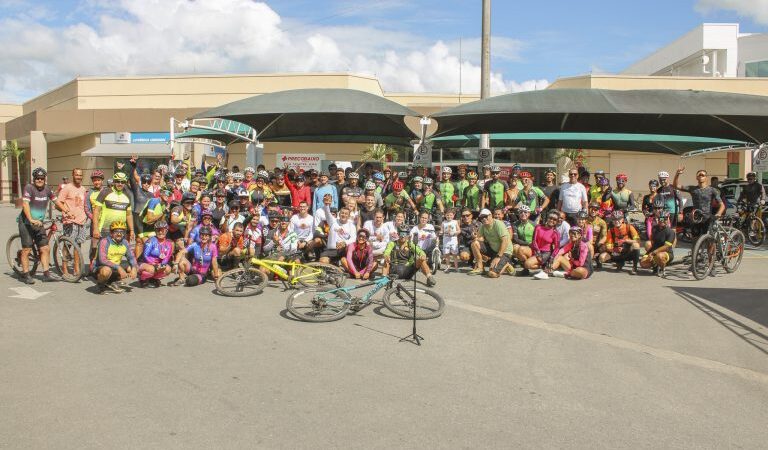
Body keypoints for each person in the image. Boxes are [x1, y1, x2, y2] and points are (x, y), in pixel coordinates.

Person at [17, 167, 71, 284]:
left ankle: (46, 274)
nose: (39, 180)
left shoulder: (47, 189)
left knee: (45, 248)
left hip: (39, 223)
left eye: (42, 178)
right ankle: (26, 274)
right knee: (26, 249)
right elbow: (25, 204)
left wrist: (66, 211)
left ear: (44, 179)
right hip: (26, 223)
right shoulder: (29, 188)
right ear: (34, 179)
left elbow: (56, 201)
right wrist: (30, 219)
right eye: (37, 178)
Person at [673, 166, 725, 237]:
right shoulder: (692, 189)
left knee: (710, 241)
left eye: (703, 175)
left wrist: (718, 214)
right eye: (699, 175)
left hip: (708, 218)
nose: (701, 176)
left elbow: (722, 205)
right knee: (695, 240)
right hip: (696, 218)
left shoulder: (712, 190)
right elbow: (676, 186)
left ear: (706, 178)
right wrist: (677, 174)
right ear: (696, 178)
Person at [91, 220, 138, 294]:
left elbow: (131, 257)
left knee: (132, 267)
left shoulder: (125, 242)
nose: (119, 234)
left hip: (114, 267)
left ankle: (112, 281)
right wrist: (119, 268)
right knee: (106, 271)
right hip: (100, 267)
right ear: (111, 233)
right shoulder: (104, 242)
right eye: (116, 232)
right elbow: (102, 260)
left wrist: (134, 268)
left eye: (122, 232)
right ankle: (101, 285)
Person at [57, 168, 88, 278]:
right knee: (67, 245)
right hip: (70, 221)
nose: (78, 177)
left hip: (81, 221)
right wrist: (67, 212)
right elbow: (59, 202)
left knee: (78, 246)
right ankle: (64, 269)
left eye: (80, 175)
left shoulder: (83, 189)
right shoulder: (67, 188)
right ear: (72, 175)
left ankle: (76, 268)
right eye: (76, 175)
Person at [469, 208, 514, 278]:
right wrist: (474, 236)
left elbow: (505, 241)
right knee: (474, 243)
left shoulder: (498, 224)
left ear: (490, 216)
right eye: (482, 217)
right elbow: (479, 238)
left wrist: (498, 257)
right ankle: (480, 268)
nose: (484, 219)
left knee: (492, 274)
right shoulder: (483, 226)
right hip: (493, 250)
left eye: (485, 216)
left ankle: (507, 264)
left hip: (505, 251)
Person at [93, 172, 134, 244]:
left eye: (122, 182)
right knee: (103, 253)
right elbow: (96, 211)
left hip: (121, 229)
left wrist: (132, 230)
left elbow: (129, 215)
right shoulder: (105, 192)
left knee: (118, 253)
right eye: (118, 181)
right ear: (114, 182)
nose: (120, 184)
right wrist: (95, 228)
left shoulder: (127, 195)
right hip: (105, 229)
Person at [600, 210, 641, 274]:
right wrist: (615, 249)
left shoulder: (629, 227)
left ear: (622, 219)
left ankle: (634, 267)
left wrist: (626, 241)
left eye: (619, 219)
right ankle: (619, 262)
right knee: (602, 257)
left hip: (627, 252)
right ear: (612, 220)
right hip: (616, 253)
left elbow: (637, 240)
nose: (616, 221)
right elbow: (608, 245)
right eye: (614, 219)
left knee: (636, 245)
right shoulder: (611, 230)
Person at [137, 220, 174, 287]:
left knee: (168, 269)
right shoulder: (150, 241)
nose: (160, 232)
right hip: (145, 263)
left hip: (157, 264)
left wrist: (162, 265)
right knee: (151, 269)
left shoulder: (168, 243)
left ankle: (153, 279)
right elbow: (145, 255)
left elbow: (167, 257)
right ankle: (143, 279)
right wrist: (154, 264)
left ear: (166, 231)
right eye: (158, 230)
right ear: (155, 231)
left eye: (162, 230)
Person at [524, 210, 560, 278]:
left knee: (527, 264)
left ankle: (543, 267)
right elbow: (534, 241)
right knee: (520, 250)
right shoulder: (538, 227)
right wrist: (538, 253)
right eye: (550, 218)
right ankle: (541, 267)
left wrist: (551, 258)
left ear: (557, 222)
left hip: (545, 253)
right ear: (547, 218)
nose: (552, 220)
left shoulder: (555, 233)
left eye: (554, 219)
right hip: (535, 250)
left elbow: (557, 247)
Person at [640, 211, 675, 278]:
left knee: (659, 256)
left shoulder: (670, 232)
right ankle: (656, 266)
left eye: (664, 219)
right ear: (658, 219)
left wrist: (653, 253)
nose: (662, 221)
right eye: (660, 219)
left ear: (667, 220)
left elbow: (666, 247)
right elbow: (653, 242)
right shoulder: (654, 228)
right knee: (643, 264)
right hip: (654, 251)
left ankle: (662, 268)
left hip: (666, 253)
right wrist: (650, 253)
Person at [441, 208, 460, 272]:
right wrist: (441, 232)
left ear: (453, 215)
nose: (449, 216)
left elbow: (459, 230)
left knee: (455, 255)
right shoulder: (443, 222)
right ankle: (447, 267)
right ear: (445, 215)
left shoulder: (455, 222)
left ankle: (456, 267)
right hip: (446, 241)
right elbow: (441, 231)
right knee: (447, 255)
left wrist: (454, 233)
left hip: (453, 241)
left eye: (451, 215)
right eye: (447, 215)